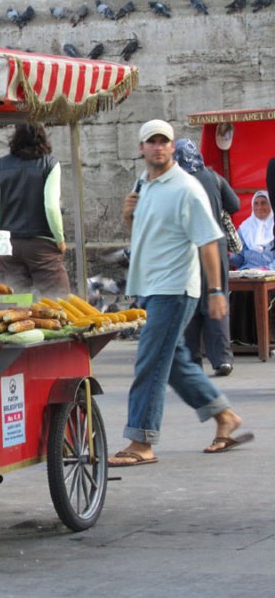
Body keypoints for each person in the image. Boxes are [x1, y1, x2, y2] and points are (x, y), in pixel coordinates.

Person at [109, 120, 254, 467]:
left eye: (164, 141)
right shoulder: (142, 184)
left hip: (175, 289)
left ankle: (141, 440)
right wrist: (129, 216)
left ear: (172, 147)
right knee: (172, 362)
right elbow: (143, 234)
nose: (158, 147)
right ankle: (224, 416)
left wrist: (217, 290)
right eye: (151, 142)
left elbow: (208, 240)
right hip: (150, 286)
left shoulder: (187, 188)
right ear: (142, 148)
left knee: (148, 361)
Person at [173, 138, 240, 377]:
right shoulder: (213, 178)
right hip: (216, 246)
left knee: (190, 300)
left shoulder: (177, 182)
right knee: (217, 297)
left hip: (188, 248)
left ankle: (192, 359)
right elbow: (235, 204)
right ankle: (222, 359)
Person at [0, 123, 69, 297]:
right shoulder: (50, 163)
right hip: (42, 245)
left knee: (16, 305)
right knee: (58, 303)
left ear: (14, 140)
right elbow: (51, 205)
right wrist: (59, 238)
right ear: (42, 139)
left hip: (10, 247)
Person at [230, 191, 274, 270]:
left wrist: (268, 270)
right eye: (256, 204)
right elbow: (239, 258)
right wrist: (227, 257)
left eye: (263, 203)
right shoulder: (244, 228)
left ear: (271, 205)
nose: (259, 207)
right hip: (247, 272)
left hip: (271, 274)